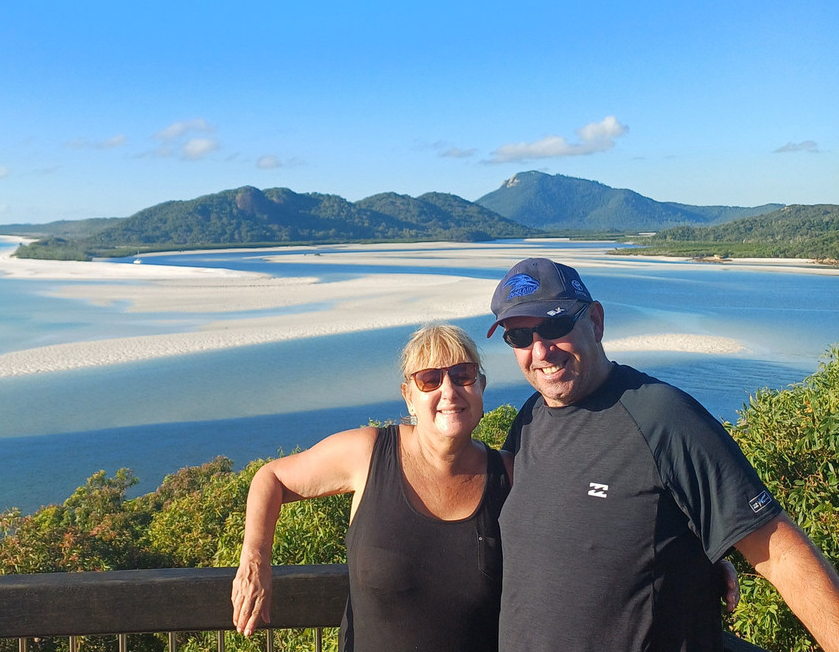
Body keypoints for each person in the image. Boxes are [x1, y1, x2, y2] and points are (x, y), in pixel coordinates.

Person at [486, 257, 839, 652]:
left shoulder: (663, 417)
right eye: (519, 338)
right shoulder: (530, 419)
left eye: (555, 326)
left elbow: (781, 552)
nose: (541, 350)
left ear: (596, 322)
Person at [230, 323, 511, 652]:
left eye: (462, 374)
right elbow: (271, 478)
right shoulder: (369, 454)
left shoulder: (507, 474)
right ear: (409, 397)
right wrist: (255, 561)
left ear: (481, 387)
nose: (448, 391)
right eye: (429, 379)